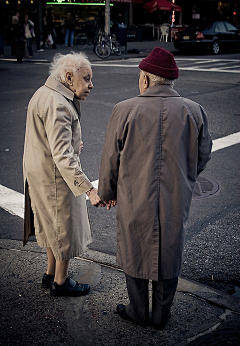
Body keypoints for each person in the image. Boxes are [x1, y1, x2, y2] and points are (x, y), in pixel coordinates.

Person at [98, 48, 212, 328]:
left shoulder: (124, 109)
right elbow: (204, 153)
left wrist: (107, 192)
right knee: (170, 247)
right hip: (176, 195)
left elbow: (111, 158)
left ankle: (138, 310)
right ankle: (161, 315)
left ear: (146, 81)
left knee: (134, 245)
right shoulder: (194, 110)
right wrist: (186, 176)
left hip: (133, 194)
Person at [23, 52, 104, 297]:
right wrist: (89, 189)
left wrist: (70, 143)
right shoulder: (59, 104)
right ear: (69, 77)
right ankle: (60, 281)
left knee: (51, 227)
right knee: (64, 230)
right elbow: (62, 156)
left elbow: (50, 140)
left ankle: (50, 273)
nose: (91, 84)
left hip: (39, 172)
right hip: (56, 178)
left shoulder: (42, 93)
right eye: (87, 78)